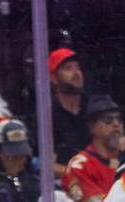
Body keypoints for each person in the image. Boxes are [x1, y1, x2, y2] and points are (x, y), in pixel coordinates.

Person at [63, 95, 125, 202]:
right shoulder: (80, 166)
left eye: (119, 120)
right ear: (92, 127)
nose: (116, 124)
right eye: (108, 120)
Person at [48, 48, 87, 176]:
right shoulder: (47, 115)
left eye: (77, 67)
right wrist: (77, 174)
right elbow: (47, 165)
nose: (76, 73)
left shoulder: (93, 106)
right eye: (68, 68)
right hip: (63, 183)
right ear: (53, 78)